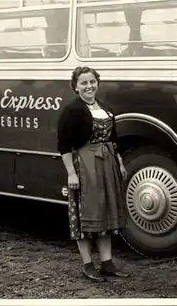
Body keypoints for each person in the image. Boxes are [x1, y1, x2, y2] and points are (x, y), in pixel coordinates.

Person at [57, 66, 130, 282]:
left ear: (97, 83)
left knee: (105, 212)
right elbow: (63, 146)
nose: (89, 86)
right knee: (85, 215)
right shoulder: (71, 111)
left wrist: (120, 163)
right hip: (85, 165)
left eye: (92, 82)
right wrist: (71, 174)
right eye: (84, 83)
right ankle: (87, 264)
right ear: (76, 87)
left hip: (107, 164)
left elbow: (114, 139)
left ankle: (107, 263)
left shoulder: (106, 108)